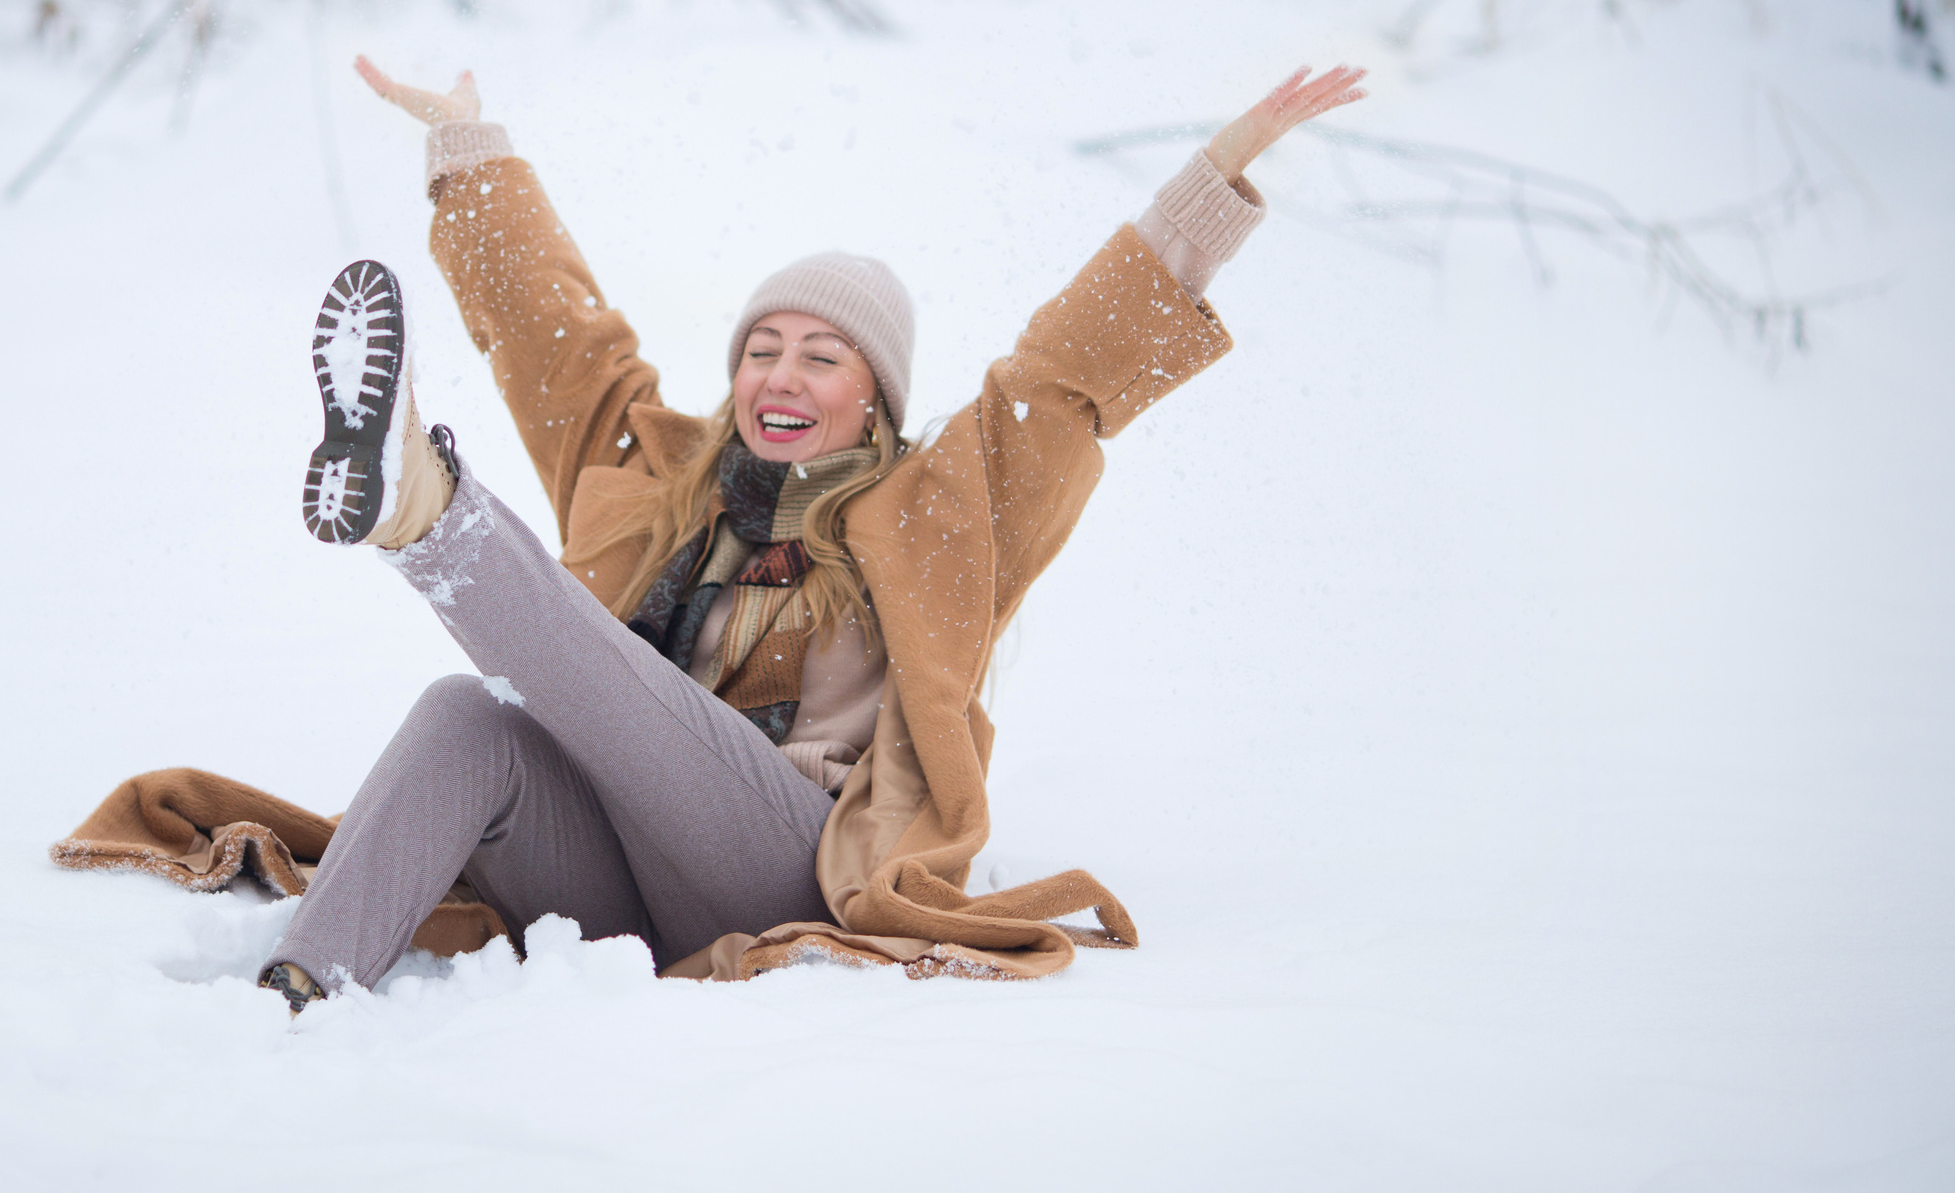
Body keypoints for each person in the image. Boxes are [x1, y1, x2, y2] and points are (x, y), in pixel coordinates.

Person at [257, 55, 1367, 1011]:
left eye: (820, 356)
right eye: (761, 348)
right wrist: (467, 147)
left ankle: (427, 519)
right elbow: (556, 340)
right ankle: (298, 995)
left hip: (793, 865)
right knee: (467, 718)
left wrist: (1210, 186)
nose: (780, 375)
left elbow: (1065, 377)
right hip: (614, 882)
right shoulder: (662, 478)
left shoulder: (939, 516)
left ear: (874, 396)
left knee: (615, 693)